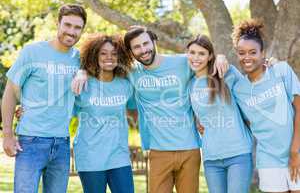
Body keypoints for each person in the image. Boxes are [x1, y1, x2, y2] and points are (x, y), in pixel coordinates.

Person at [72, 25, 229, 193]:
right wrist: (82, 71)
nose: (143, 50)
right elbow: (95, 64)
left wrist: (220, 57)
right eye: (136, 47)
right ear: (130, 52)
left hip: (189, 148)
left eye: (146, 43)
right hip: (157, 150)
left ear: (154, 41)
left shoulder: (183, 62)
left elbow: (204, 59)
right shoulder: (131, 73)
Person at [1, 4, 86, 193]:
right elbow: (10, 93)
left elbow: (104, 64)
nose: (71, 32)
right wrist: (7, 134)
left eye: (77, 27)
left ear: (82, 30)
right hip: (31, 142)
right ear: (58, 23)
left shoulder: (80, 59)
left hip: (62, 143)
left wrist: (83, 72)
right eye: (68, 25)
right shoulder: (33, 52)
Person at [232, 19, 300, 193]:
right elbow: (243, 122)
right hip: (268, 159)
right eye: (242, 53)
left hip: (297, 151)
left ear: (263, 53)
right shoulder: (238, 90)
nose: (247, 57)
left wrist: (294, 151)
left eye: (253, 52)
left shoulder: (281, 70)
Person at [186, 34, 253, 193]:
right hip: (211, 157)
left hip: (238, 153)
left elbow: (252, 93)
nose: (196, 57)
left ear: (210, 56)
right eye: (192, 53)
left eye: (201, 53)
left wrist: (222, 58)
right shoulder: (189, 85)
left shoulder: (226, 73)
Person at [73, 33, 135, 193]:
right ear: (94, 55)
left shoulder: (125, 85)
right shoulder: (83, 83)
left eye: (114, 54)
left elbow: (137, 112)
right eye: (103, 53)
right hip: (90, 156)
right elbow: (61, 110)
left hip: (119, 156)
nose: (109, 57)